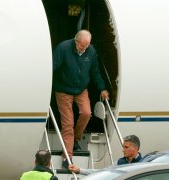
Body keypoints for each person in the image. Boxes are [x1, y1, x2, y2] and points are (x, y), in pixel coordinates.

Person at [52, 29, 109, 168]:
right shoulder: (63, 48)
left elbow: (95, 71)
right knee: (68, 123)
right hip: (63, 90)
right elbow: (53, 66)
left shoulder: (90, 51)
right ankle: (67, 157)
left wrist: (102, 88)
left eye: (87, 45)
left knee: (86, 113)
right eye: (82, 45)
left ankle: (75, 139)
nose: (85, 48)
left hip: (81, 89)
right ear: (75, 41)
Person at [68, 135, 142, 175]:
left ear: (135, 148)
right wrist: (79, 170)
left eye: (126, 147)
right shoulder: (119, 163)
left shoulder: (143, 163)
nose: (123, 150)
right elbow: (102, 173)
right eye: (123, 147)